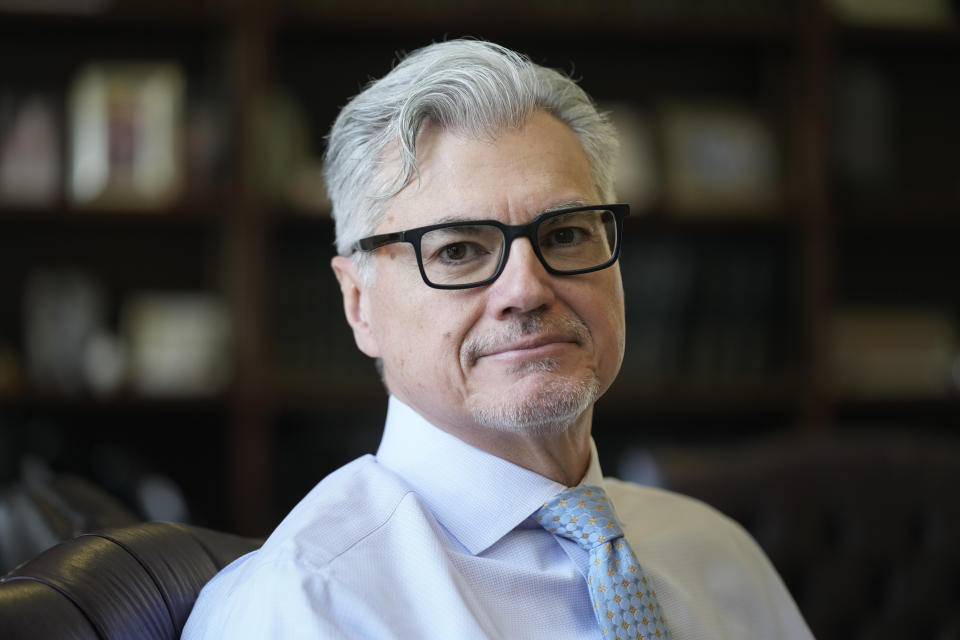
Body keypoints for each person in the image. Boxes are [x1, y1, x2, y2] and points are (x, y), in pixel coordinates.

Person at [183, 39, 813, 639]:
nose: (526, 289)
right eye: (458, 250)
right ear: (359, 305)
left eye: (565, 235)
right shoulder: (307, 605)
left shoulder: (719, 554)